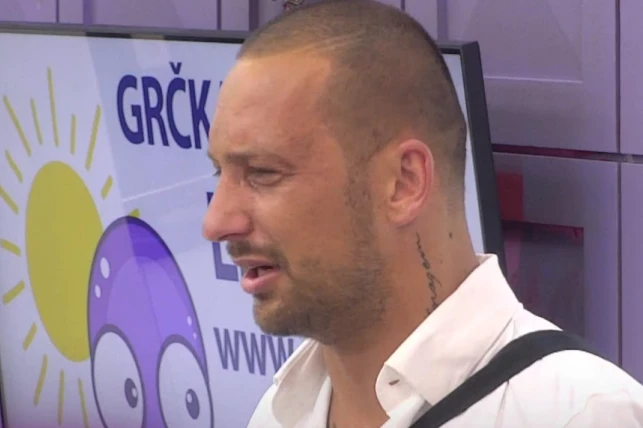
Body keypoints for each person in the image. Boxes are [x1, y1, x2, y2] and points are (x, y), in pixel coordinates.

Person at [202, 0, 643, 427]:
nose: (216, 223)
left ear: (404, 182)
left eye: (262, 173)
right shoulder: (280, 410)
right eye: (221, 172)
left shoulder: (583, 416)